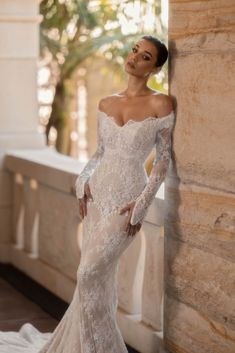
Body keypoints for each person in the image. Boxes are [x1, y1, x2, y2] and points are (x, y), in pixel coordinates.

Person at [0, 35, 175, 353]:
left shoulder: (160, 103)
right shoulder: (106, 103)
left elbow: (163, 161)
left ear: (156, 68)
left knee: (88, 271)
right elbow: (98, 154)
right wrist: (82, 182)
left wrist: (141, 204)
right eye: (135, 50)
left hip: (127, 198)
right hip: (98, 196)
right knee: (100, 278)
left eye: (145, 56)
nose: (135, 57)